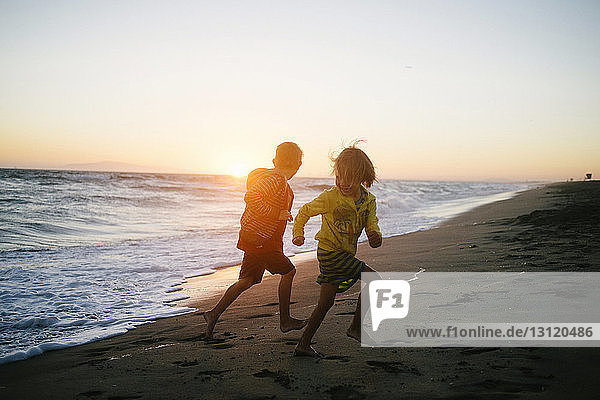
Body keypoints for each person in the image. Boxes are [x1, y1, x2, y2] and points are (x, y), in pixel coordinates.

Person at [203, 142, 307, 339]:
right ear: (298, 165)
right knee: (289, 271)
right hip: (262, 240)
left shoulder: (278, 181)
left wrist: (281, 215)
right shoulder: (275, 179)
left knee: (247, 280)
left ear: (275, 160)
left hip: (257, 238)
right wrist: (278, 214)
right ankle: (285, 320)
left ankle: (213, 314)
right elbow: (252, 197)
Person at [292, 144, 382, 357]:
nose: (342, 183)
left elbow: (372, 223)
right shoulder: (331, 197)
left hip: (344, 253)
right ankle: (356, 327)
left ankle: (302, 345)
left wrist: (374, 235)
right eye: (339, 177)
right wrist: (298, 233)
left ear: (361, 176)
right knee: (374, 279)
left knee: (325, 303)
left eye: (348, 178)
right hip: (329, 252)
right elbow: (304, 212)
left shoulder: (369, 201)